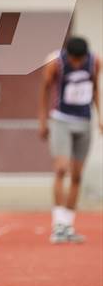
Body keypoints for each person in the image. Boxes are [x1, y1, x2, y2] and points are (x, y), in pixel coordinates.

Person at [39, 36, 101, 244]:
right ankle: (57, 224)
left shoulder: (95, 61)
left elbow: (95, 89)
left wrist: (100, 117)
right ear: (69, 56)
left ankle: (68, 224)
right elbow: (45, 90)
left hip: (84, 121)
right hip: (61, 120)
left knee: (76, 175)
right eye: (74, 60)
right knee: (61, 169)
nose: (76, 64)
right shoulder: (55, 63)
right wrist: (43, 120)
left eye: (79, 60)